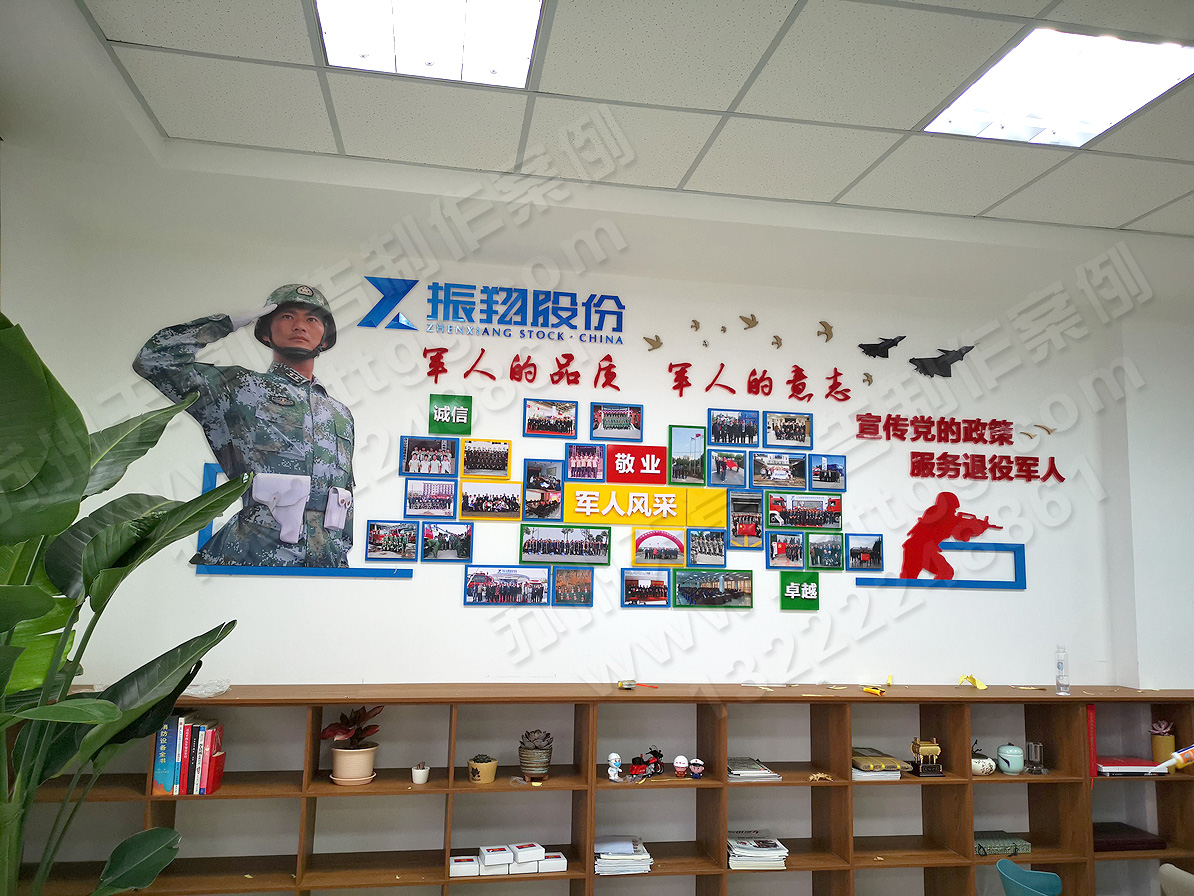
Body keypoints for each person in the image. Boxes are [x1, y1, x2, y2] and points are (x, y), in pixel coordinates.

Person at [134, 284, 355, 567]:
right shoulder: (238, 388)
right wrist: (225, 324)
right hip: (252, 559)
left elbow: (345, 495)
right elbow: (154, 360)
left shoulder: (340, 414)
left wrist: (341, 557)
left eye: (312, 319)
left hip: (326, 562)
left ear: (324, 339)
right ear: (266, 332)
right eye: (287, 316)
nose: (300, 326)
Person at [899, 492, 1002, 580]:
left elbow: (960, 530)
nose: (954, 511)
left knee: (909, 579)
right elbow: (957, 529)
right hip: (920, 550)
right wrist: (976, 525)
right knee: (944, 572)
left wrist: (977, 525)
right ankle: (934, 593)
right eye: (952, 508)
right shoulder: (938, 515)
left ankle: (934, 593)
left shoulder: (937, 514)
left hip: (916, 549)